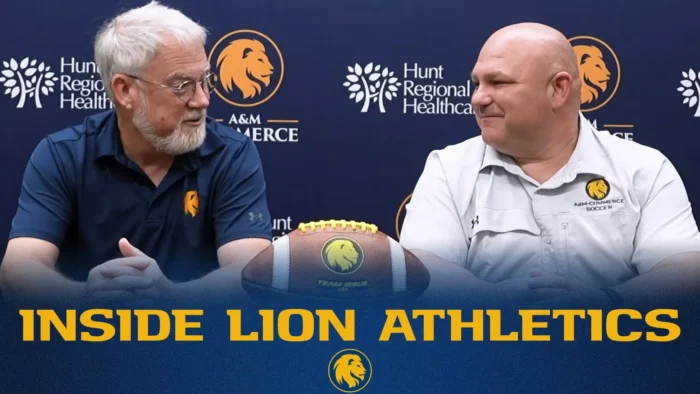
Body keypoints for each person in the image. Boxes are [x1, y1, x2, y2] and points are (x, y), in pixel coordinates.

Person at [400, 22, 700, 307]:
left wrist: (606, 303)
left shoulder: (643, 168)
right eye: (476, 83)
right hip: (488, 355)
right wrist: (494, 301)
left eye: (498, 82)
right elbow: (424, 270)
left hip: (615, 354)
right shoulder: (449, 169)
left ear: (558, 89)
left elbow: (682, 270)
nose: (478, 98)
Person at [0, 1, 272, 304]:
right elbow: (17, 270)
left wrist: (172, 296)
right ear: (125, 91)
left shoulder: (230, 154)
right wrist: (84, 296)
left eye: (206, 81)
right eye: (182, 85)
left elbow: (252, 272)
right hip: (86, 340)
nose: (202, 100)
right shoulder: (62, 155)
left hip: (197, 341)